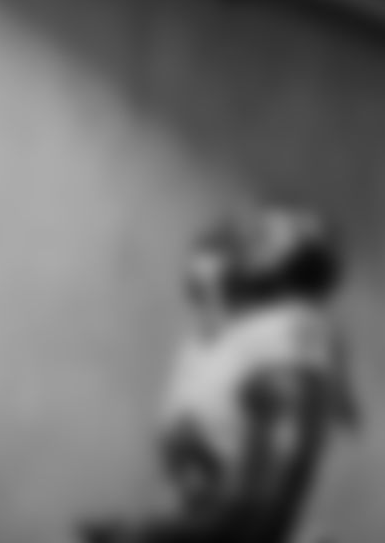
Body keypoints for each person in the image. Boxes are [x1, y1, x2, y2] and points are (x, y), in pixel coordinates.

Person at [81, 203, 361, 543]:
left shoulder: (283, 337)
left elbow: (260, 518)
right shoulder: (223, 341)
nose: (239, 242)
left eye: (262, 236)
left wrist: (142, 535)